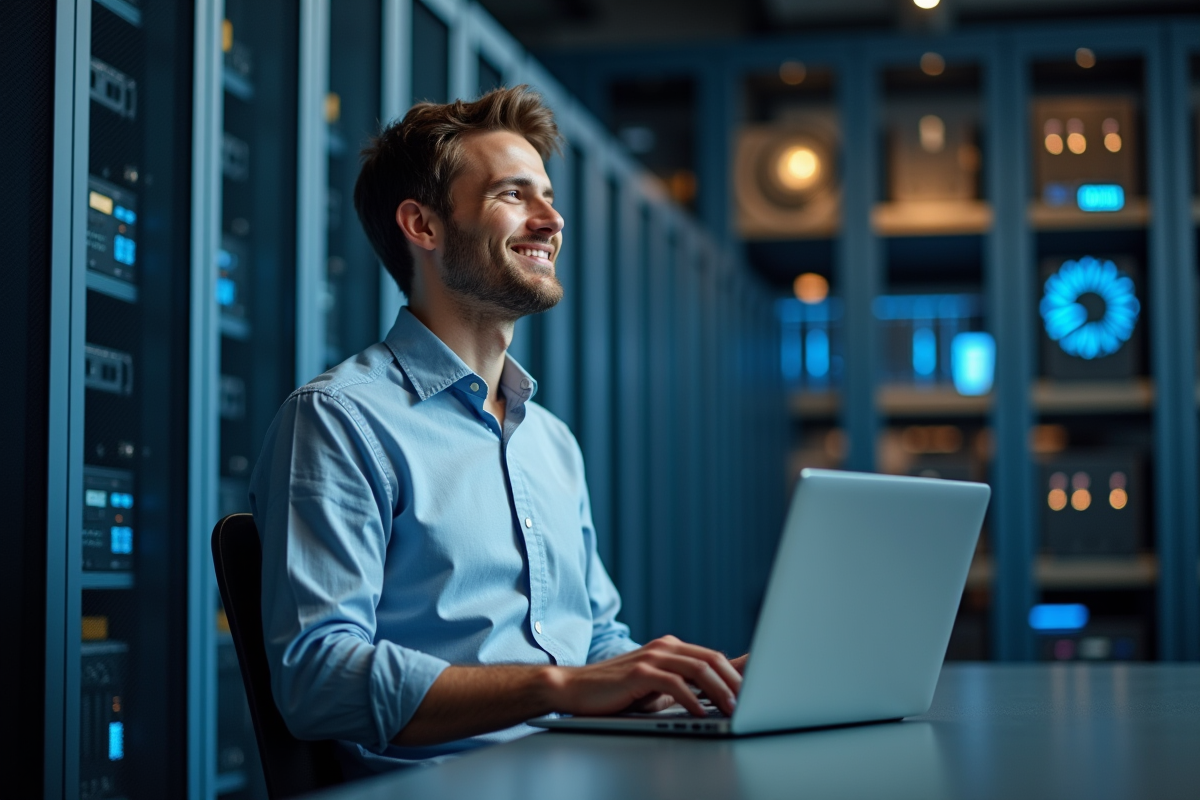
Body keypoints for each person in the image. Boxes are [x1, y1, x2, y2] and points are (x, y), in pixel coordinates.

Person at [250, 85, 744, 773]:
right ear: (422, 226)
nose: (552, 219)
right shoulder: (341, 420)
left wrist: (680, 683)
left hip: (582, 774)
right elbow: (318, 680)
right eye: (515, 195)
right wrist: (558, 687)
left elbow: (596, 642)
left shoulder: (551, 442)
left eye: (547, 195)